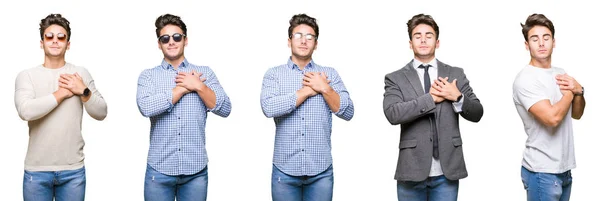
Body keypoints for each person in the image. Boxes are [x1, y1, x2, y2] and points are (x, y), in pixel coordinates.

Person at [382, 13, 484, 201]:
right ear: (410, 43)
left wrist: (457, 97)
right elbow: (392, 113)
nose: (423, 40)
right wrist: (430, 99)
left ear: (437, 42)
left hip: (447, 170)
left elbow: (477, 112)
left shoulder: (455, 73)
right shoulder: (395, 78)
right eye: (417, 36)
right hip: (411, 169)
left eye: (429, 35)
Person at [136, 13, 232, 201]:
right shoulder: (148, 76)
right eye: (165, 38)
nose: (171, 42)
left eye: (176, 37)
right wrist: (181, 89)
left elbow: (225, 108)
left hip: (195, 172)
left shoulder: (204, 73)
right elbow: (145, 107)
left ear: (185, 40)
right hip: (160, 170)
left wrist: (199, 86)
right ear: (159, 44)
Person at [260, 13, 354, 201]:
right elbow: (268, 107)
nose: (304, 41)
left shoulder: (329, 74)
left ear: (316, 43)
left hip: (321, 171)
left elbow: (348, 111)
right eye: (298, 36)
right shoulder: (274, 75)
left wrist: (325, 88)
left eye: (310, 37)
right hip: (284, 170)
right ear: (289, 41)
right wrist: (306, 92)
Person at [14, 13, 108, 201]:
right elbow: (26, 111)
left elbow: (101, 112)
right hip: (37, 172)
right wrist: (61, 93)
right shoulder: (27, 76)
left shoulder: (80, 73)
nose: (55, 41)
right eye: (49, 36)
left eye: (61, 37)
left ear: (68, 44)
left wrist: (83, 91)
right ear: (42, 42)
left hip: (72, 171)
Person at [513, 13, 586, 201]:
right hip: (541, 171)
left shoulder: (560, 73)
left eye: (546, 38)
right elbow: (552, 119)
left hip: (564, 169)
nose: (541, 43)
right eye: (535, 39)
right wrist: (573, 90)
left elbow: (576, 114)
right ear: (527, 45)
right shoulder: (526, 79)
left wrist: (580, 92)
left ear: (554, 42)